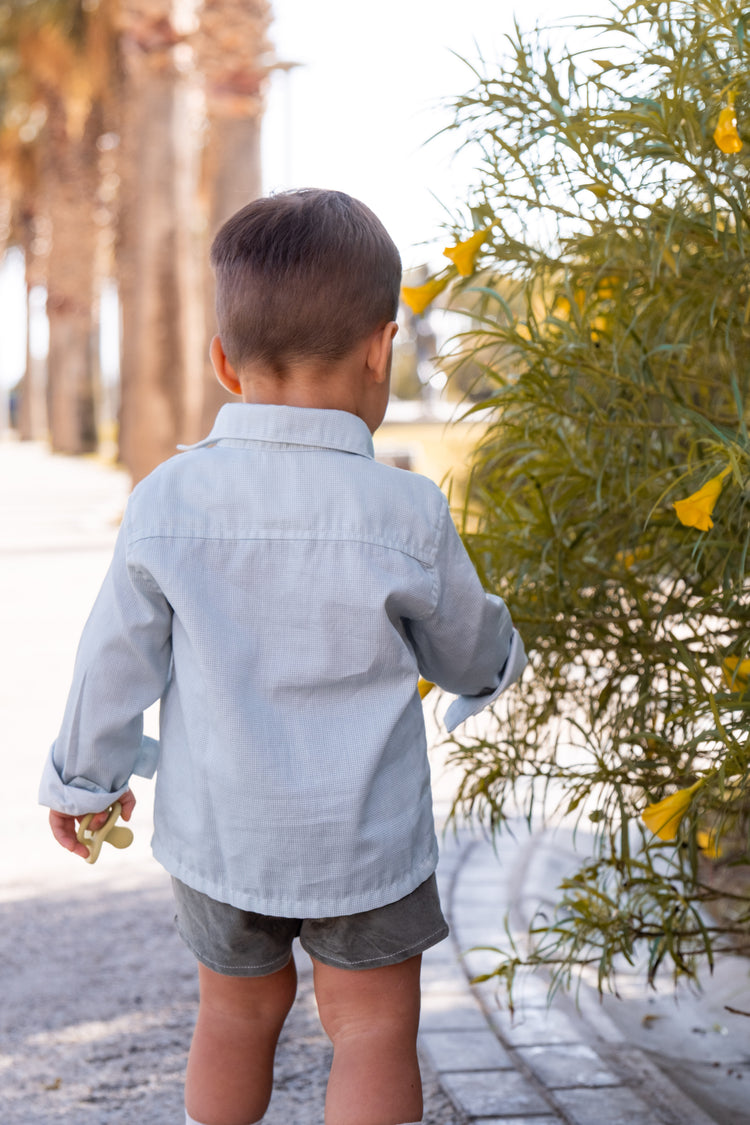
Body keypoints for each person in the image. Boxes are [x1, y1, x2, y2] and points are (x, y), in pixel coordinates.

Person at [39, 189, 526, 1125]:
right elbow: (467, 647)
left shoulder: (167, 501)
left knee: (231, 1015)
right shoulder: (406, 512)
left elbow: (112, 660)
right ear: (382, 351)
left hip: (222, 837)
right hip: (368, 842)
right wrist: (497, 663)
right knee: (374, 1027)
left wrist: (83, 780)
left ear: (224, 362)